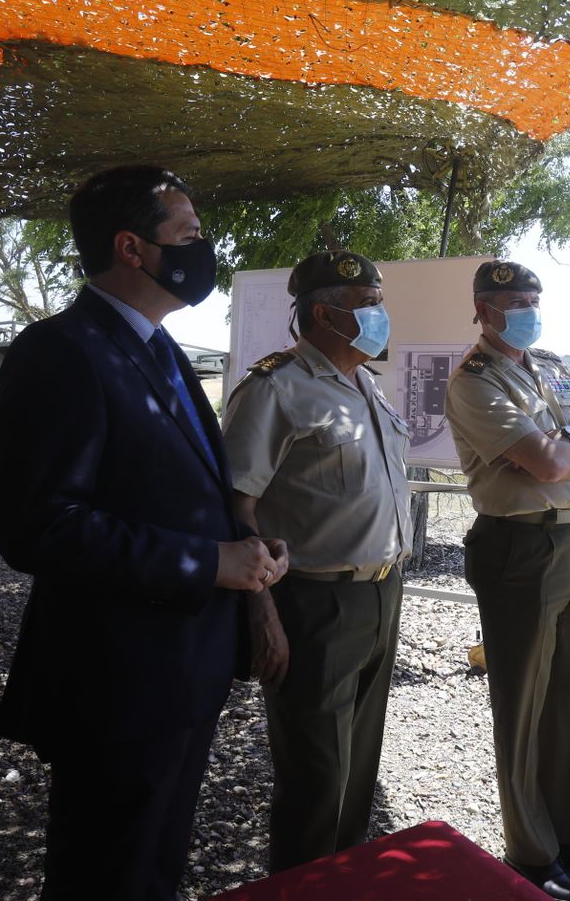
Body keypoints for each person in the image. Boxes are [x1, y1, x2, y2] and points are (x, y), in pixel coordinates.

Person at [0, 165, 284, 900]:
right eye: (189, 234)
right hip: (115, 682)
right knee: (107, 871)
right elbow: (38, 528)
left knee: (155, 863)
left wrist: (247, 555)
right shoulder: (60, 350)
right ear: (131, 247)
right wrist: (207, 561)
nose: (203, 249)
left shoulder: (160, 348)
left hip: (182, 670)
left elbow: (180, 488)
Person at [220, 249, 413, 871]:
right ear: (325, 315)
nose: (381, 314)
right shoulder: (275, 388)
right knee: (316, 777)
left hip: (381, 591)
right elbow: (234, 507)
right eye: (368, 304)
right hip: (312, 601)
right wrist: (262, 612)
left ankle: (342, 880)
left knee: (357, 770)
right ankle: (301, 883)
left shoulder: (365, 383)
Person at [444, 259, 570, 901]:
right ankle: (530, 851)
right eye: (515, 303)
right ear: (483, 310)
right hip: (518, 548)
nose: (528, 311)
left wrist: (569, 436)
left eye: (534, 299)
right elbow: (547, 464)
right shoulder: (474, 381)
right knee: (522, 703)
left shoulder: (549, 364)